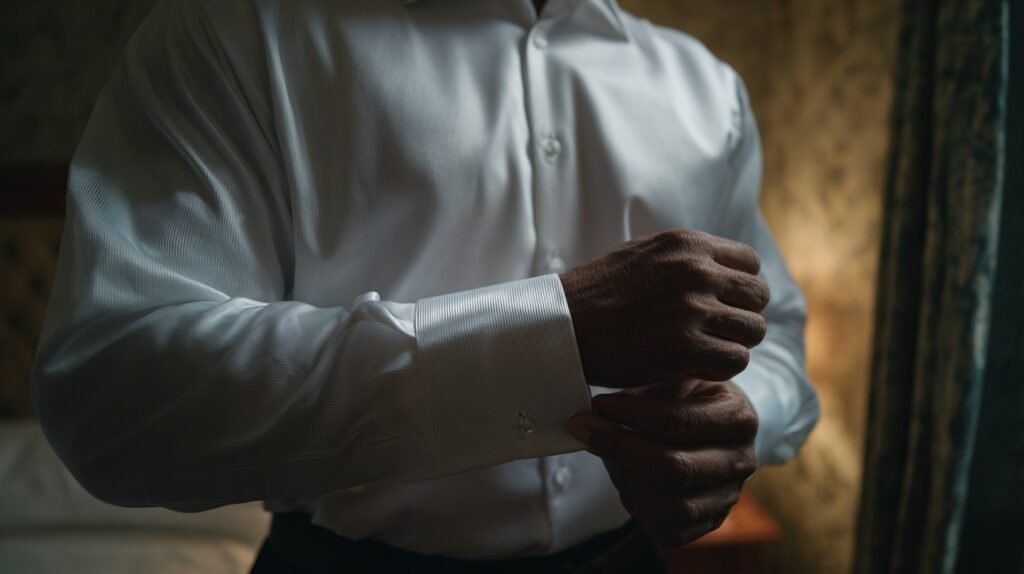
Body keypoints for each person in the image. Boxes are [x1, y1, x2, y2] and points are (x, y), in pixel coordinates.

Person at [32, 0, 820, 571]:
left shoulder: (708, 92)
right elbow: (110, 392)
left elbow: (776, 334)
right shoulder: (236, 34)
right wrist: (556, 333)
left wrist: (743, 417)